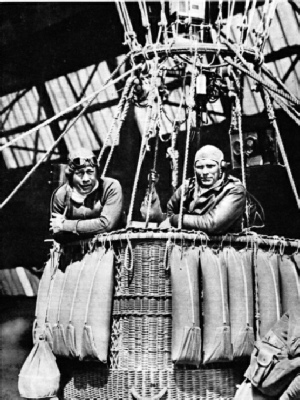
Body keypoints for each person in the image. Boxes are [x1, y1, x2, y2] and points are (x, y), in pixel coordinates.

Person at [141, 144, 247, 234]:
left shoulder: (234, 189)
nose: (205, 172)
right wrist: (157, 215)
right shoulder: (188, 187)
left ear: (221, 167)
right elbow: (169, 215)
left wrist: (175, 220)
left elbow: (212, 223)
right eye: (200, 167)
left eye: (210, 166)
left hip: (223, 250)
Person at [50, 147, 123, 243]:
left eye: (90, 172)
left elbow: (107, 224)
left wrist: (66, 225)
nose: (85, 179)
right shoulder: (61, 195)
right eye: (79, 173)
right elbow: (56, 232)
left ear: (96, 172)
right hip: (75, 253)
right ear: (71, 176)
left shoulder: (110, 187)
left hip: (112, 250)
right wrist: (92, 228)